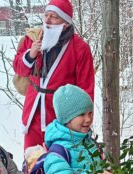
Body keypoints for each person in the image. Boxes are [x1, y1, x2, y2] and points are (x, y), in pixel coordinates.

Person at [13, 0, 95, 149]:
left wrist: (84, 119)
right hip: (34, 111)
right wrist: (31, 54)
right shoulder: (32, 40)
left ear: (65, 22)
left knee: (59, 159)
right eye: (46, 15)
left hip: (61, 115)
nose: (48, 20)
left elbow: (86, 88)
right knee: (31, 158)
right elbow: (19, 69)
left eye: (54, 17)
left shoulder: (80, 48)